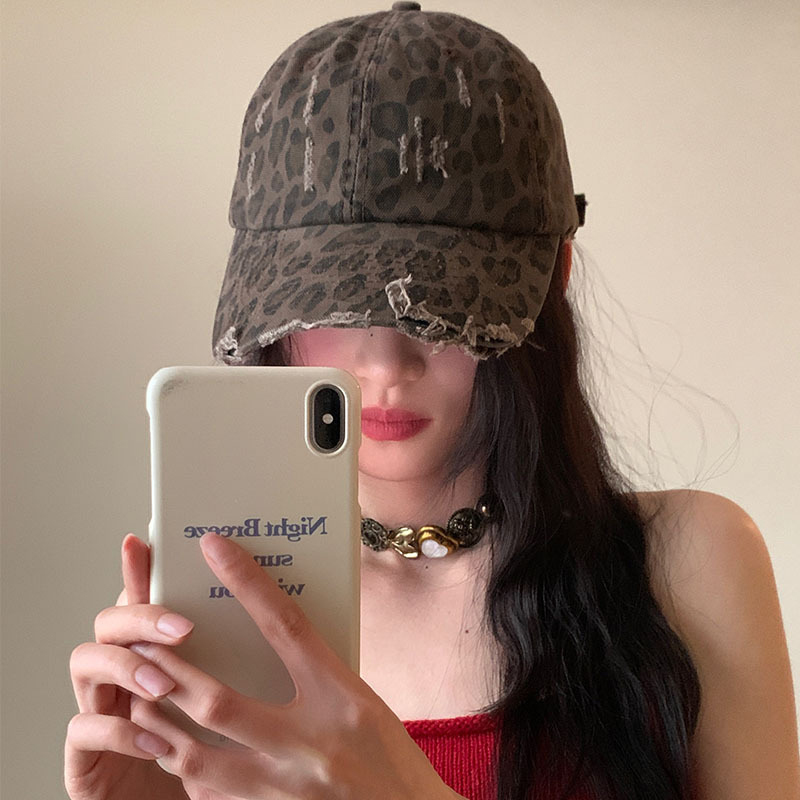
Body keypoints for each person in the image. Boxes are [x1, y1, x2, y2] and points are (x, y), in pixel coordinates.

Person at [64, 4, 800, 800]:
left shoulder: (688, 564)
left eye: (438, 309)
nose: (385, 365)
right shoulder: (221, 606)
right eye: (334, 307)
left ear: (553, 276)